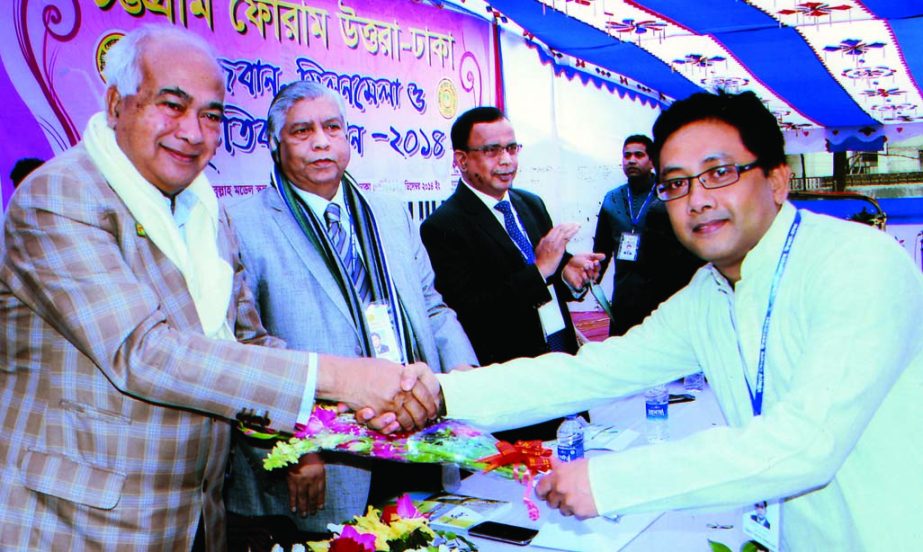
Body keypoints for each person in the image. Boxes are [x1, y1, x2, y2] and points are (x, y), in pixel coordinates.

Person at [424, 91, 923, 548]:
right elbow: (592, 371)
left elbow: (806, 443)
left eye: (720, 172)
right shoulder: (710, 291)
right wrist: (440, 395)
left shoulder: (857, 263)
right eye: (677, 183)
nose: (697, 199)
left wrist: (610, 483)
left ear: (777, 178)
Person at [0, 25, 434, 551]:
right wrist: (342, 378)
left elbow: (246, 343)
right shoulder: (61, 196)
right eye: (172, 105)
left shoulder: (203, 210)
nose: (193, 131)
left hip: (195, 512)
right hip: (79, 521)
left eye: (210, 115)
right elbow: (145, 353)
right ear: (116, 105)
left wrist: (362, 408)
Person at [225, 81, 478, 539]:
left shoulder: (389, 212)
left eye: (333, 127)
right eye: (302, 131)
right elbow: (244, 349)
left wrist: (462, 380)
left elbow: (433, 307)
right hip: (328, 464)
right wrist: (296, 447)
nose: (322, 141)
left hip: (416, 437)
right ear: (274, 143)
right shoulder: (241, 223)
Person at [419, 106, 602, 441]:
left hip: (562, 363)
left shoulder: (530, 204)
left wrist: (567, 273)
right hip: (513, 384)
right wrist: (541, 269)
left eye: (512, 148)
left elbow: (549, 273)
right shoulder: (444, 226)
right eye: (491, 150)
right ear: (461, 159)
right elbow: (472, 313)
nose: (506, 160)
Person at [592, 135, 702, 335]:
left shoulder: (668, 196)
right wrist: (591, 278)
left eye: (638, 155)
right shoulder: (612, 199)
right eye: (627, 155)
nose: (631, 160)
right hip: (624, 295)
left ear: (652, 161)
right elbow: (602, 249)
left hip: (661, 296)